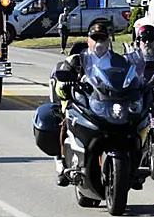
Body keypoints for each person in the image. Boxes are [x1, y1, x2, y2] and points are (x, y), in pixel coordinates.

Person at [53, 21, 127, 186]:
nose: (99, 42)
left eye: (102, 38)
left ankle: (135, 162)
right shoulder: (76, 60)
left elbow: (131, 78)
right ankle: (62, 162)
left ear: (109, 41)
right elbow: (60, 82)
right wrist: (65, 86)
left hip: (111, 105)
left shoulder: (119, 61)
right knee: (65, 122)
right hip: (84, 104)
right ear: (88, 40)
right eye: (95, 38)